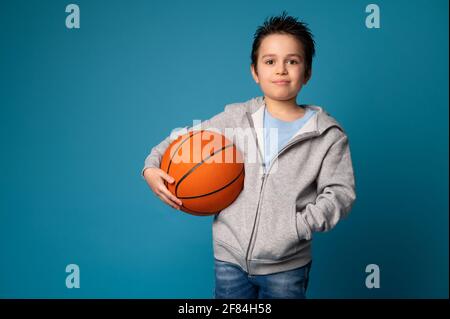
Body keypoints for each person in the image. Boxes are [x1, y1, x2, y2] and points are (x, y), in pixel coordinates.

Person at [141, 11, 356, 299]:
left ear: (307, 72)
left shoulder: (327, 135)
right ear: (255, 71)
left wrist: (296, 227)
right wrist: (151, 167)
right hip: (229, 259)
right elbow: (184, 139)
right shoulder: (236, 118)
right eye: (270, 61)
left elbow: (340, 193)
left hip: (286, 267)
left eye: (292, 61)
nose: (281, 69)